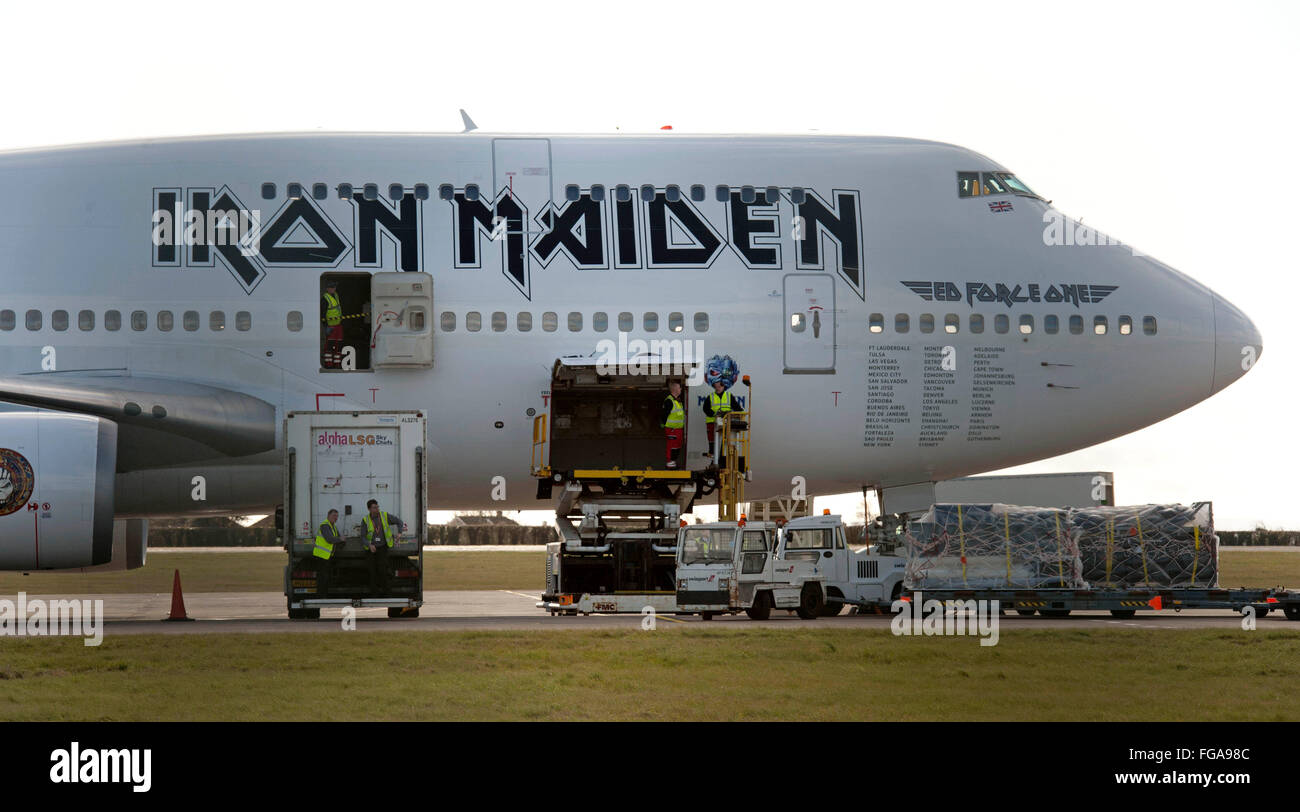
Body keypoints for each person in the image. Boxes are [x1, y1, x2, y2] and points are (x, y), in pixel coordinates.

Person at [360, 499, 404, 593]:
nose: (377, 509)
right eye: (374, 508)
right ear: (369, 509)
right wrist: (369, 545)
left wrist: (400, 533)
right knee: (372, 572)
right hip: (371, 549)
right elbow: (363, 536)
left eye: (377, 507)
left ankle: (386, 593)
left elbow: (399, 521)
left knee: (383, 571)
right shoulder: (365, 520)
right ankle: (374, 593)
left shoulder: (384, 516)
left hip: (382, 548)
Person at [702, 379, 734, 463]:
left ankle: (721, 459)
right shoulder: (710, 396)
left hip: (725, 424)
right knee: (712, 442)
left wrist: (732, 413)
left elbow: (738, 408)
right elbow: (705, 408)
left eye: (719, 386)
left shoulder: (729, 396)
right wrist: (715, 414)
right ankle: (713, 459)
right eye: (716, 386)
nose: (717, 388)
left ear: (723, 386)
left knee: (724, 442)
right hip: (712, 422)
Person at [313, 509, 343, 594]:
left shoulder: (333, 526)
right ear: (328, 516)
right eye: (334, 516)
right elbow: (330, 539)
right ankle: (321, 595)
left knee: (325, 576)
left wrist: (341, 540)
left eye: (337, 516)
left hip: (327, 555)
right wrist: (340, 539)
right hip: (321, 555)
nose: (335, 518)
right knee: (322, 577)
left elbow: (338, 538)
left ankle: (323, 594)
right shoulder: (325, 526)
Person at [661, 380, 685, 468]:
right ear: (675, 389)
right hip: (672, 429)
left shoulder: (677, 400)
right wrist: (665, 425)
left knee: (677, 445)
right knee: (672, 445)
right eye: (679, 388)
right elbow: (664, 414)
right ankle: (670, 462)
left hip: (678, 429)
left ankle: (673, 462)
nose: (681, 389)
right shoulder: (669, 401)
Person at [321, 281, 344, 368]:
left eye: (334, 287)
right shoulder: (325, 298)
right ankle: (328, 364)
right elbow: (322, 314)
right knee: (329, 346)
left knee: (339, 345)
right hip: (330, 326)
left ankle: (337, 364)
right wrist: (326, 326)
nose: (333, 289)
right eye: (331, 287)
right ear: (327, 289)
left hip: (338, 325)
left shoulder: (336, 295)